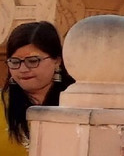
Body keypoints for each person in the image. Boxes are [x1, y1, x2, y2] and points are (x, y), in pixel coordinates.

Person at [1, 21, 74, 154]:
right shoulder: (2, 103)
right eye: (15, 62)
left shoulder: (78, 101)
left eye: (33, 61)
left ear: (57, 60)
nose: (23, 69)